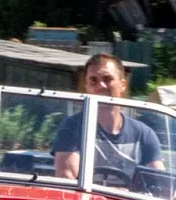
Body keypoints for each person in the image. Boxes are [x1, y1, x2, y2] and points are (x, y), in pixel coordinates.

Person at [52, 54, 165, 182]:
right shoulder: (73, 126)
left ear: (122, 84)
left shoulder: (143, 134)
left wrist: (170, 190)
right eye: (93, 80)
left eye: (108, 79)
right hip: (86, 195)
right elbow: (66, 176)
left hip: (127, 196)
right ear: (87, 87)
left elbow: (160, 181)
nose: (100, 85)